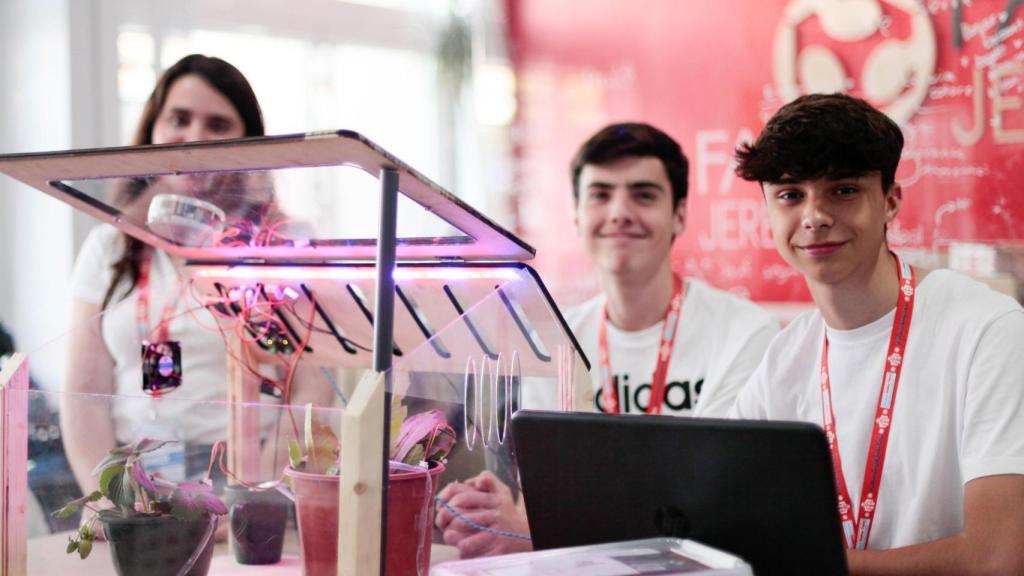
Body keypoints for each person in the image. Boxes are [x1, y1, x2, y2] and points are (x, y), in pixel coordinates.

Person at [435, 122, 779, 558]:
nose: (619, 212)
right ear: (577, 215)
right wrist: (491, 508)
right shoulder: (553, 340)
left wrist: (533, 528)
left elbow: (710, 502)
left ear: (679, 215)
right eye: (600, 194)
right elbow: (546, 496)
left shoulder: (745, 333)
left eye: (644, 195)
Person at [732, 93, 1024, 574]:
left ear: (890, 201)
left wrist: (820, 565)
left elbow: (997, 559)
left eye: (843, 190)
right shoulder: (784, 359)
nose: (814, 216)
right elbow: (724, 516)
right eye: (790, 195)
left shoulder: (987, 330)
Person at [60, 54, 328, 497]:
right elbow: (82, 395)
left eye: (218, 125)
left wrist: (253, 497)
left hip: (247, 480)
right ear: (152, 129)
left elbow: (311, 389)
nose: (194, 138)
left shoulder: (285, 243)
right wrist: (108, 501)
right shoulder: (110, 244)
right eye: (179, 119)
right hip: (134, 484)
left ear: (248, 144)